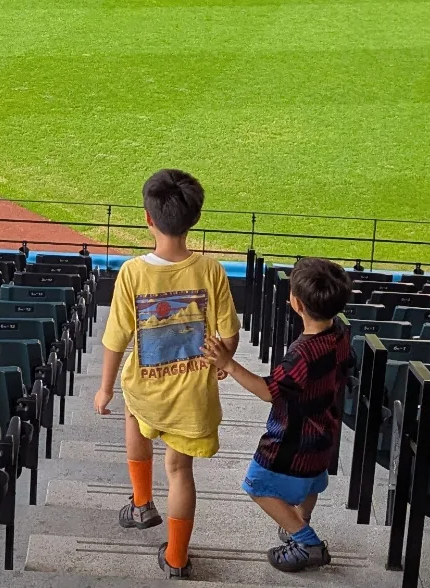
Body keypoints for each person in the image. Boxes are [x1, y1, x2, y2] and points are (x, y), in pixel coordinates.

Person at [95, 169, 241, 578]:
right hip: (193, 398)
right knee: (180, 471)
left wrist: (105, 388)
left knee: (133, 418)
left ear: (148, 218)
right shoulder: (211, 270)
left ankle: (141, 504)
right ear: (194, 218)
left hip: (146, 392)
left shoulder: (132, 272)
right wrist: (223, 360)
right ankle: (176, 559)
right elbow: (230, 333)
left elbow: (115, 337)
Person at [204, 257, 353, 572]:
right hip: (325, 433)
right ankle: (300, 519)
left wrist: (228, 364)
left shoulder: (301, 354)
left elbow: (268, 390)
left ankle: (306, 541)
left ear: (296, 304)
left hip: (292, 442)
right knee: (312, 481)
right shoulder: (340, 332)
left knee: (256, 485)